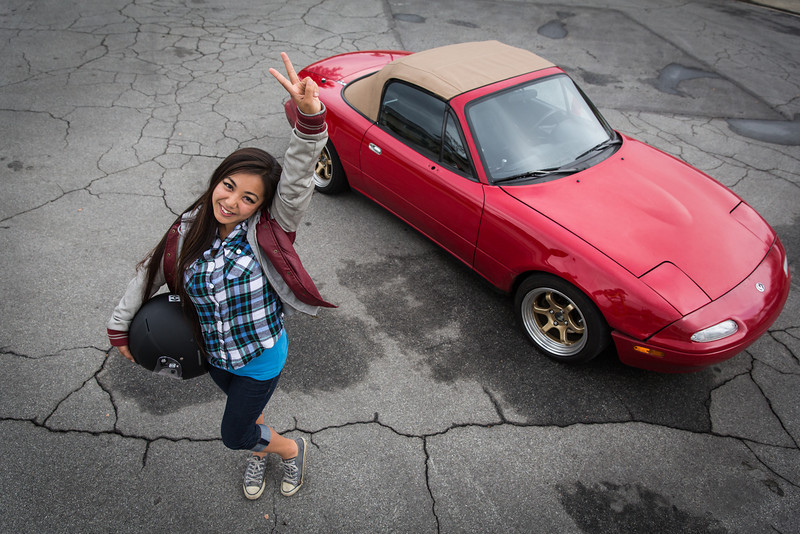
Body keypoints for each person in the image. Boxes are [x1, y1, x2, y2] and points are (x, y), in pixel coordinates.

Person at [106, 52, 333, 500]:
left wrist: (309, 120)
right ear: (217, 180)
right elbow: (149, 276)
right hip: (213, 356)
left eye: (248, 198)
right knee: (248, 418)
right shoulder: (188, 229)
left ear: (261, 205)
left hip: (260, 357)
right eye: (228, 186)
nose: (232, 202)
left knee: (234, 433)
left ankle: (290, 449)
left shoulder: (270, 229)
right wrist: (119, 328)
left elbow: (296, 179)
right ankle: (260, 444)